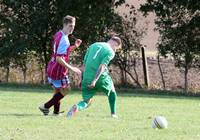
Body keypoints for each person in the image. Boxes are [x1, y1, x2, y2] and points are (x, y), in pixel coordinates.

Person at [66, 36, 122, 118]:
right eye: (116, 48)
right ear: (116, 45)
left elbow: (84, 64)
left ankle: (77, 107)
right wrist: (95, 81)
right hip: (100, 78)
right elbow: (102, 66)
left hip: (87, 77)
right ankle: (113, 114)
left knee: (86, 101)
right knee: (112, 92)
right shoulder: (110, 51)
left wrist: (82, 79)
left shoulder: (93, 45)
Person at [39, 15, 81, 116]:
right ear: (65, 24)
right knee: (66, 89)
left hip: (52, 67)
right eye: (70, 26)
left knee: (58, 91)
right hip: (58, 70)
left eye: (73, 26)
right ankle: (45, 106)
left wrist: (74, 46)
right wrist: (72, 69)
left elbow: (62, 51)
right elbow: (59, 58)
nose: (72, 28)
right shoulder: (64, 39)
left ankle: (56, 112)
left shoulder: (59, 34)